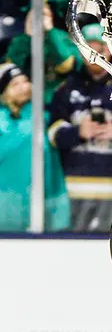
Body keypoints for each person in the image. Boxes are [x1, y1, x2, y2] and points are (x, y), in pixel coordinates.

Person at [47, 23, 112, 232]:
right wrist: (78, 132)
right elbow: (52, 134)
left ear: (111, 52)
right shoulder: (67, 89)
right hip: (73, 188)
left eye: (101, 49)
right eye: (90, 49)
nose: (95, 55)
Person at [0, 63, 71, 233]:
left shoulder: (44, 115)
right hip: (6, 205)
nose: (23, 87)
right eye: (15, 84)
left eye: (25, 81)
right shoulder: (3, 121)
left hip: (43, 201)